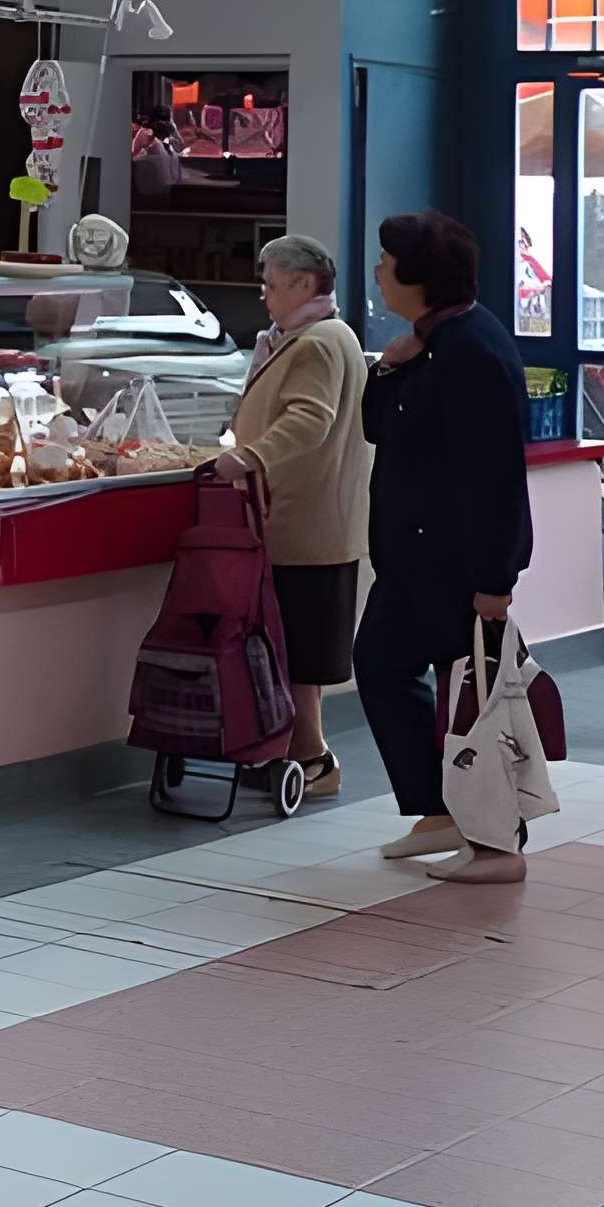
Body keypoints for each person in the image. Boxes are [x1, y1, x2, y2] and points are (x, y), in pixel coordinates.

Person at [355, 209, 534, 883]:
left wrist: (495, 577)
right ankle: (438, 810)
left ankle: (497, 845)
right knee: (381, 665)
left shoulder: (471, 350)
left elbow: (496, 476)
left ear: (418, 276)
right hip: (413, 559)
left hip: (457, 563)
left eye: (387, 262)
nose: (378, 271)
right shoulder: (430, 343)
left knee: (473, 700)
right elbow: (380, 429)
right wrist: (386, 367)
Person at [226, 235, 367, 794]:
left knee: (301, 651)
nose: (264, 295)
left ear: (304, 284)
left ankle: (313, 757)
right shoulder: (312, 337)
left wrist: (249, 456)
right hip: (307, 520)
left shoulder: (318, 342)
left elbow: (309, 420)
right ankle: (294, 751)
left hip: (308, 524)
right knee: (295, 647)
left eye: (271, 284)